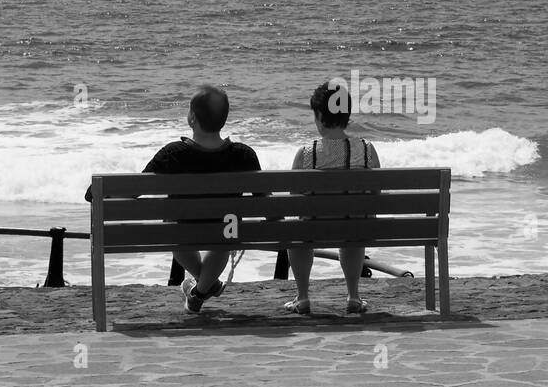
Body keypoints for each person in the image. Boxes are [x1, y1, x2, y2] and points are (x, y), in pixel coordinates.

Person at [85, 85, 260, 313]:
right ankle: (205, 286)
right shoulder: (244, 155)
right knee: (225, 236)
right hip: (227, 231)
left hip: (181, 233)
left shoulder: (173, 154)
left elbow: (134, 190)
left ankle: (201, 290)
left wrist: (100, 192)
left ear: (192, 119)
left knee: (172, 227)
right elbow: (266, 200)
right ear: (224, 119)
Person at [283, 80, 381, 315]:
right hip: (356, 229)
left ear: (318, 115)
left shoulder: (306, 154)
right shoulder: (367, 149)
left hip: (313, 230)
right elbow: (376, 194)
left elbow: (293, 198)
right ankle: (354, 297)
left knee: (298, 229)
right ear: (346, 114)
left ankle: (303, 296)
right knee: (354, 225)